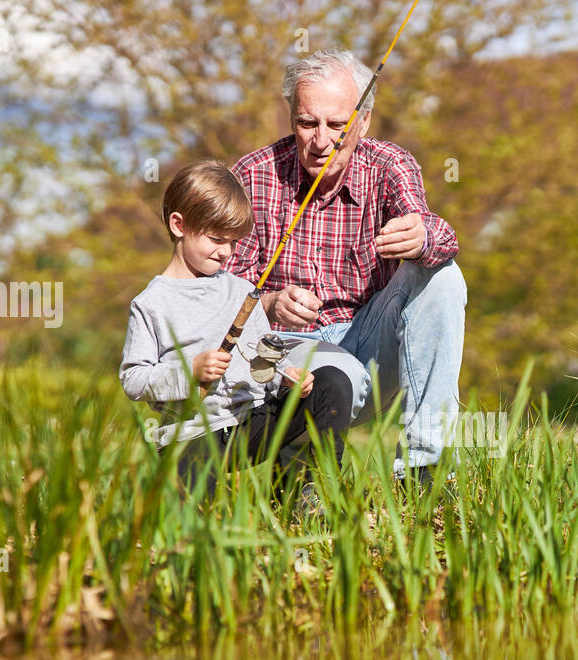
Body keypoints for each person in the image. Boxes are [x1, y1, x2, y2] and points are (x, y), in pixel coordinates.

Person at [223, 49, 467, 487]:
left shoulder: (389, 165)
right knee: (335, 380)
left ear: (363, 121)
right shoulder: (252, 174)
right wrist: (270, 302)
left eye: (337, 125)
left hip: (368, 344)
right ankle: (301, 479)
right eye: (307, 123)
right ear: (290, 116)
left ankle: (423, 468)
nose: (320, 140)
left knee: (442, 274)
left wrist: (423, 236)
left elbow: (437, 235)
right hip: (281, 357)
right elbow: (220, 297)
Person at [119, 159, 365, 506]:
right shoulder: (151, 303)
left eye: (233, 242)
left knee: (332, 382)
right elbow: (134, 379)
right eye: (216, 239)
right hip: (193, 435)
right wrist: (190, 371)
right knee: (191, 520)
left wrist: (284, 377)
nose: (226, 252)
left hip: (254, 421)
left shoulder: (240, 290)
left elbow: (265, 354)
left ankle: (314, 494)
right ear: (179, 225)